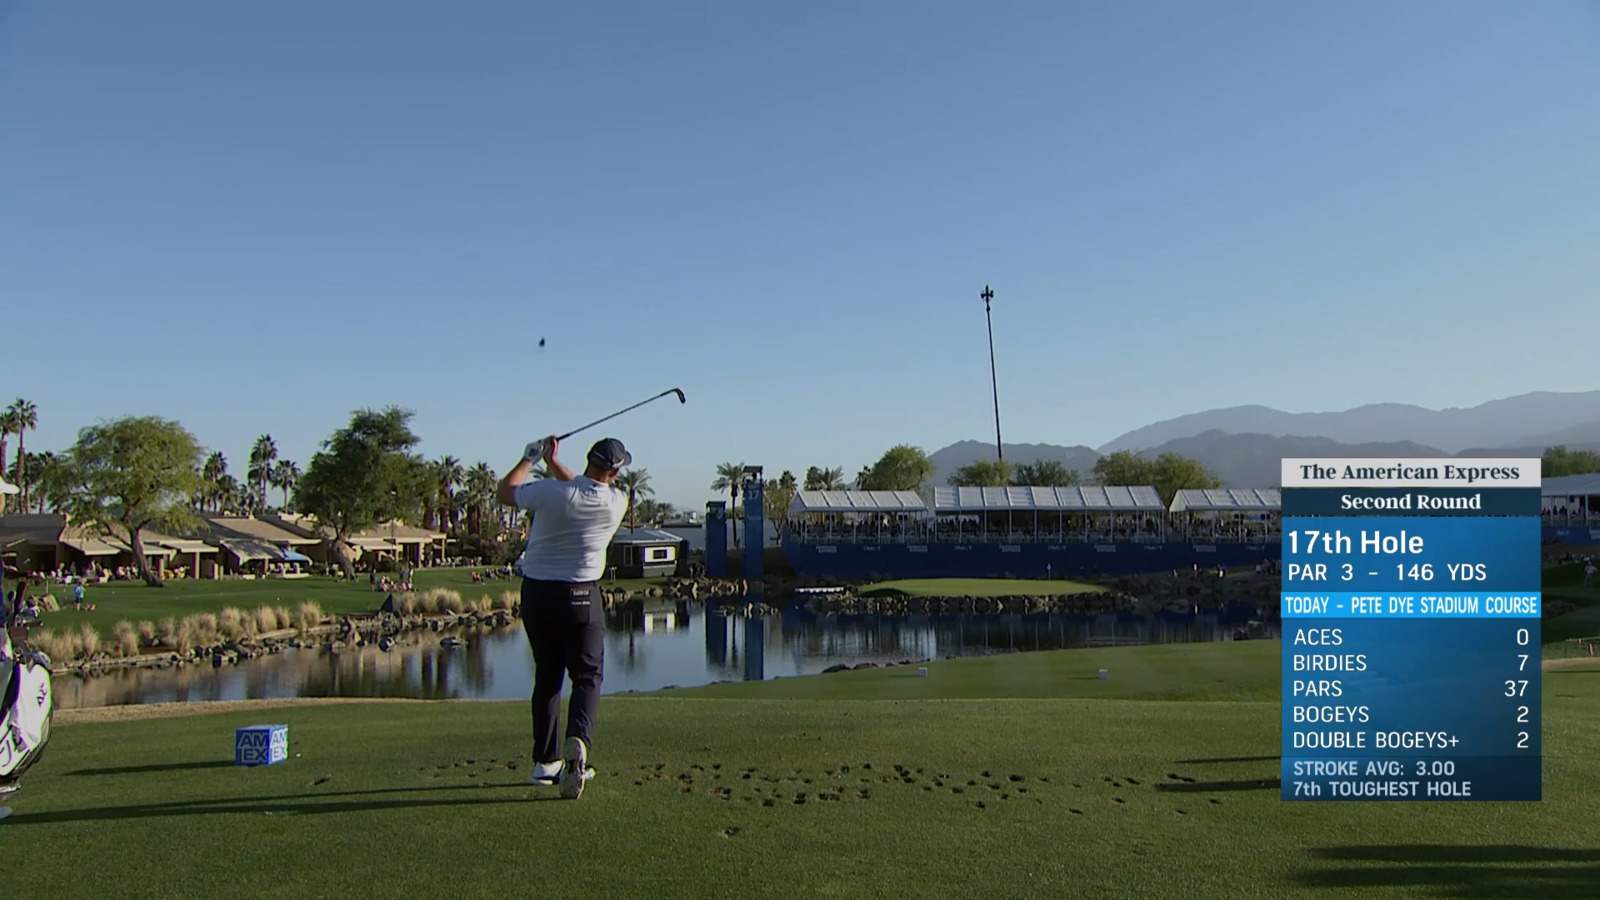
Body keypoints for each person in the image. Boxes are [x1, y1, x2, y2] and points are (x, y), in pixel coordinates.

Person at [497, 435, 629, 800]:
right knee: (586, 676)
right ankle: (578, 743)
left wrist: (531, 458)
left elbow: (505, 493)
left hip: (538, 595)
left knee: (547, 675)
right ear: (616, 472)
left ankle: (545, 763)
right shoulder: (617, 501)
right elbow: (583, 489)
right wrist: (553, 463)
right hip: (582, 597)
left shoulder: (550, 493)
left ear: (589, 460)